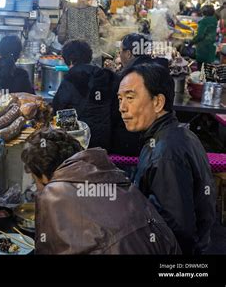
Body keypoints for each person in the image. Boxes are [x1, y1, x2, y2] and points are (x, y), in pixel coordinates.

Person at [21, 128, 181, 255]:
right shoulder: (112, 175)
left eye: (36, 182)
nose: (38, 189)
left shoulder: (53, 194)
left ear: (43, 176)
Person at [117, 63, 216, 255]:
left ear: (158, 102)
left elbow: (177, 232)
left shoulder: (165, 154)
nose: (122, 107)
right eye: (120, 99)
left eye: (130, 98)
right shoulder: (176, 133)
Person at [109, 34, 169, 156]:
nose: (119, 55)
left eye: (120, 51)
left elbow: (114, 113)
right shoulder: (163, 71)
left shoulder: (126, 78)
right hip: (162, 141)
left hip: (132, 145)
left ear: (129, 54)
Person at [52, 40, 115, 149]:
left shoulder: (71, 77)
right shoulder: (105, 75)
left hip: (82, 144)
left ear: (70, 60)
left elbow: (59, 110)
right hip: (107, 141)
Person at [57, 0, 109, 66]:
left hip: (73, 59)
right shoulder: (98, 11)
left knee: (75, 78)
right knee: (93, 78)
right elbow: (107, 33)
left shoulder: (68, 11)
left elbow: (61, 37)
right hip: (94, 58)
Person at [191, 4, 218, 70]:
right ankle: (207, 80)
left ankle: (201, 79)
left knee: (201, 69)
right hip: (211, 47)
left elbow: (200, 36)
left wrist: (191, 42)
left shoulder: (203, 22)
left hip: (203, 49)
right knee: (208, 69)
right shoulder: (214, 20)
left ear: (203, 12)